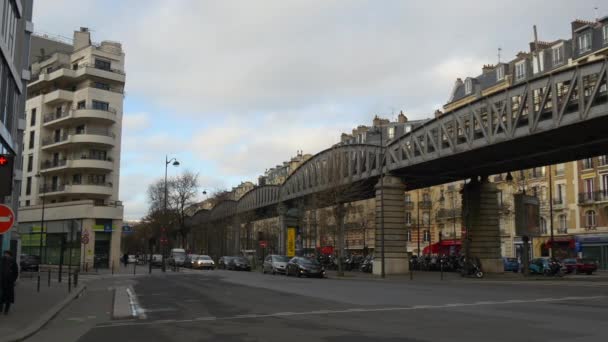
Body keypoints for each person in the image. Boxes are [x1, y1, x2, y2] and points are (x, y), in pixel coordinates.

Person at [0, 251, 19, 315]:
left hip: (9, 282)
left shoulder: (12, 262)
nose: (5, 255)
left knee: (8, 296)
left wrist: (13, 280)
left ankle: (6, 310)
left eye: (6, 254)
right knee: (2, 295)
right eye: (4, 254)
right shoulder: (2, 260)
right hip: (2, 281)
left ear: (10, 255)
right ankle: (1, 308)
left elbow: (16, 272)